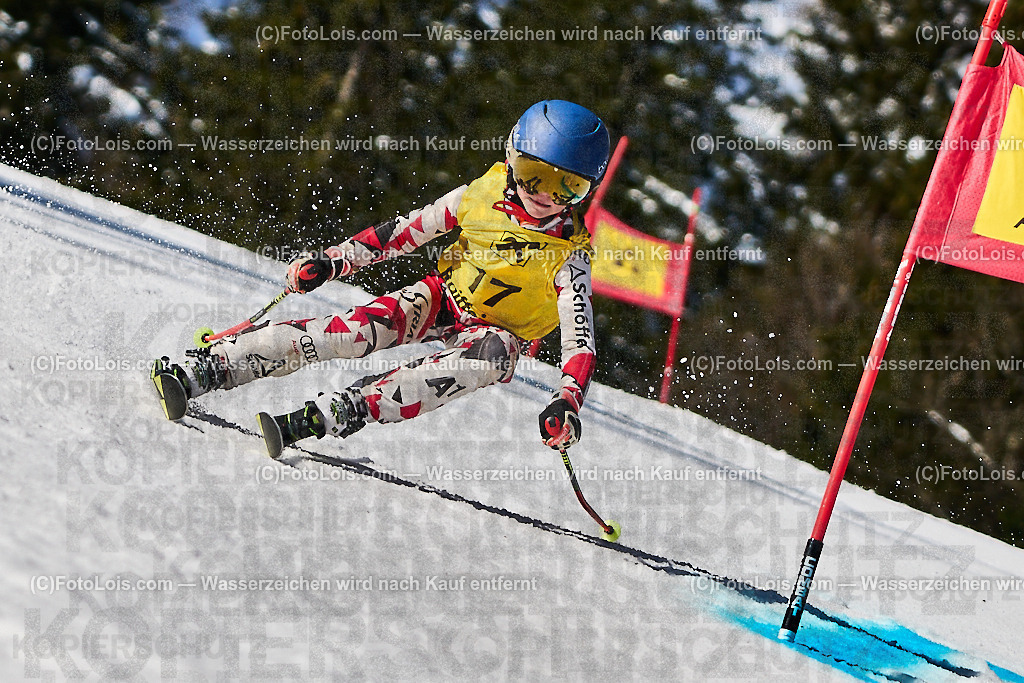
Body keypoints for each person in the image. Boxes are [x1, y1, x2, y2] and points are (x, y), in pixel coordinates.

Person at [151, 100, 610, 458]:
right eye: (533, 176)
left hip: (496, 334)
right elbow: (406, 232)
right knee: (351, 333)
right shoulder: (478, 196)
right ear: (511, 159)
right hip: (444, 297)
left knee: (491, 355)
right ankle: (212, 366)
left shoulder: (570, 256)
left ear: (587, 190)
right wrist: (335, 261)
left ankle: (351, 407)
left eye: (568, 187)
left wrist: (567, 401)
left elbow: (580, 343)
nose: (546, 197)